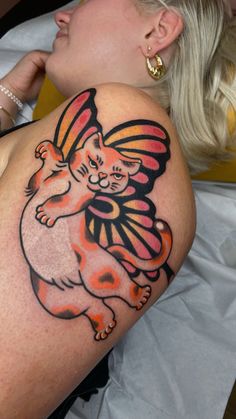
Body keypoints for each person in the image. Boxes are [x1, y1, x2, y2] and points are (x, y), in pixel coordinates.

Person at [0, 1, 235, 418]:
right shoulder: (79, 124)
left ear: (157, 32)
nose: (61, 16)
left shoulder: (121, 114)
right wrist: (8, 100)